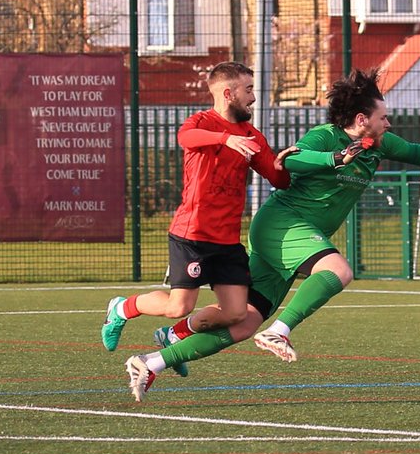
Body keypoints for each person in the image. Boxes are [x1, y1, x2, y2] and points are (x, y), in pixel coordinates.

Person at [125, 68, 420, 400]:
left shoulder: (381, 144)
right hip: (283, 224)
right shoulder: (325, 137)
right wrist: (336, 158)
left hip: (292, 239)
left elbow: (414, 151)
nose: (388, 123)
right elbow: (292, 160)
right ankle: (279, 331)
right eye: (383, 117)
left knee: (243, 322)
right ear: (362, 120)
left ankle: (151, 362)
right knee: (339, 270)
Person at [103, 62, 295, 377]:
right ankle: (121, 308)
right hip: (192, 234)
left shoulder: (252, 136)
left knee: (235, 313)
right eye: (248, 90)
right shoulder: (202, 123)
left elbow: (279, 179)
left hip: (227, 241)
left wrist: (288, 163)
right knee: (178, 305)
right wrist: (224, 139)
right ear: (228, 93)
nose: (253, 98)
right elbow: (185, 137)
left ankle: (173, 335)